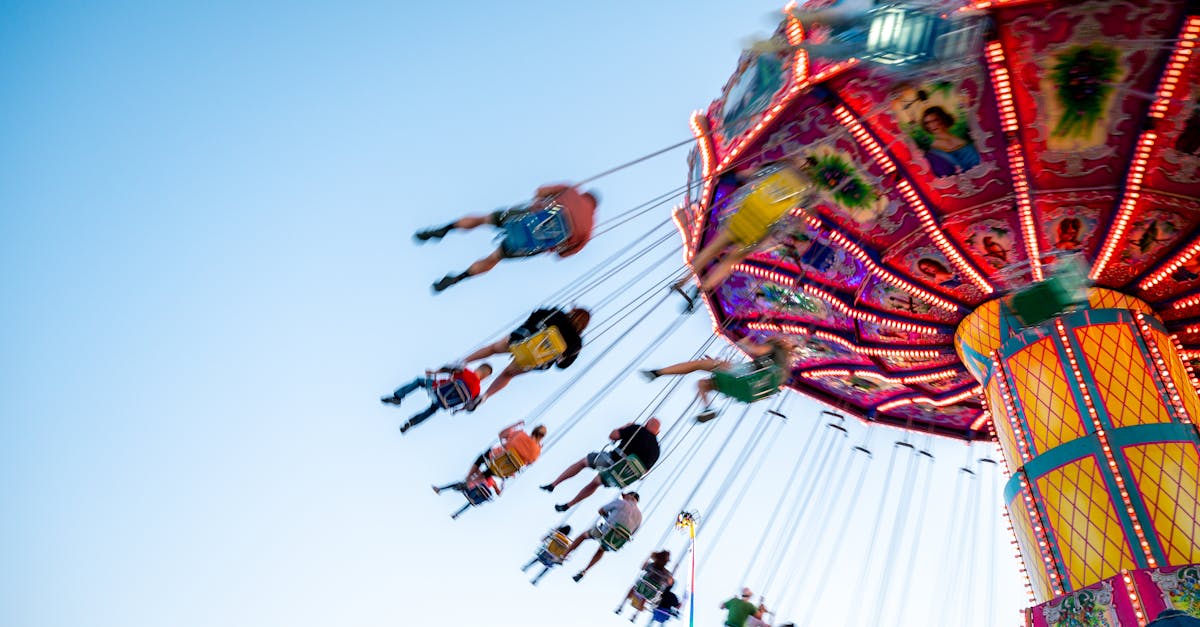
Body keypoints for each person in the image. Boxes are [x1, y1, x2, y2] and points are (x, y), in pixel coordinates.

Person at [672, 158, 822, 311]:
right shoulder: (806, 188)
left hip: (745, 213)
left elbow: (751, 174)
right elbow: (808, 214)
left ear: (803, 163)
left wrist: (729, 178)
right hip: (761, 225)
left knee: (713, 249)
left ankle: (684, 280)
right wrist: (800, 225)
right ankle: (701, 288)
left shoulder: (781, 167)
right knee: (732, 260)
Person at [415, 183, 599, 293]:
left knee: (484, 219)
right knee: (495, 258)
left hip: (526, 216)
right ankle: (459, 277)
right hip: (530, 243)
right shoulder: (588, 231)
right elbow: (563, 255)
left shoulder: (572, 190)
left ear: (585, 194)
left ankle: (446, 228)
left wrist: (541, 204)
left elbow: (540, 190)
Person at [459, 306, 590, 408]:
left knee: (492, 349)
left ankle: (461, 363)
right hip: (532, 360)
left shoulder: (557, 314)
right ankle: (484, 397)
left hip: (521, 341)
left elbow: (534, 316)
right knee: (507, 375)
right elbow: (562, 365)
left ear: (573, 312)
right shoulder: (576, 343)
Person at [642, 336, 794, 422]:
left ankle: (658, 373)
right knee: (704, 384)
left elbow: (756, 350)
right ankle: (707, 410)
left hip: (744, 377)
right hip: (748, 393)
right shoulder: (784, 367)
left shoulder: (774, 348)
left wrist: (745, 342)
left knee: (699, 365)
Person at [540, 418, 662, 512]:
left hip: (612, 460)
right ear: (658, 432)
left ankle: (553, 484)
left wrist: (626, 426)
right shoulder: (656, 451)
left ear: (646, 424)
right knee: (596, 482)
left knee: (584, 462)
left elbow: (613, 436)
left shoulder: (637, 429)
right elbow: (645, 472)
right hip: (621, 476)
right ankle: (568, 505)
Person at [381, 363, 492, 434]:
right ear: (485, 376)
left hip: (438, 388)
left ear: (478, 368)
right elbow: (469, 406)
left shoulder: (466, 372)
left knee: (420, 381)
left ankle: (398, 397)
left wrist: (434, 372)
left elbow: (447, 369)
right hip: (445, 403)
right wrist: (458, 410)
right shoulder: (477, 391)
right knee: (433, 409)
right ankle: (411, 423)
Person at [562, 492, 643, 582]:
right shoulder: (640, 517)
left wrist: (608, 517)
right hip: (615, 542)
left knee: (584, 535)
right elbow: (632, 533)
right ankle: (585, 571)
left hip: (605, 532)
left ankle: (563, 556)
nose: (623, 497)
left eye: (625, 496)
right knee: (602, 549)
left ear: (630, 496)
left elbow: (601, 510)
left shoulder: (621, 502)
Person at [920, 106, 981, 177]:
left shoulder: (963, 139)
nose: (932, 125)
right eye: (928, 123)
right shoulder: (932, 153)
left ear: (943, 119)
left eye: (935, 120)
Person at [615, 550, 674, 617]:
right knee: (646, 594)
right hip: (651, 593)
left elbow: (642, 567)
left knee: (636, 588)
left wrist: (649, 557)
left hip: (641, 587)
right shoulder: (666, 573)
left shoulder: (651, 565)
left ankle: (622, 605)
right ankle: (636, 614)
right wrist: (670, 577)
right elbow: (670, 583)